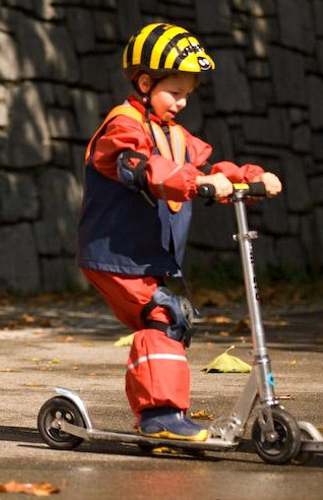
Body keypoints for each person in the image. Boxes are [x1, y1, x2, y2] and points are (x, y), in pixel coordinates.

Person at [77, 23, 282, 441]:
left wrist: (245, 177)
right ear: (146, 82)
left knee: (174, 321)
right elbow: (140, 168)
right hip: (116, 255)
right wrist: (194, 183)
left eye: (188, 93)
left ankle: (156, 414)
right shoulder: (124, 125)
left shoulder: (175, 134)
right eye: (176, 92)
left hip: (150, 257)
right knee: (162, 315)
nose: (182, 102)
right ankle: (161, 418)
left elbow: (203, 169)